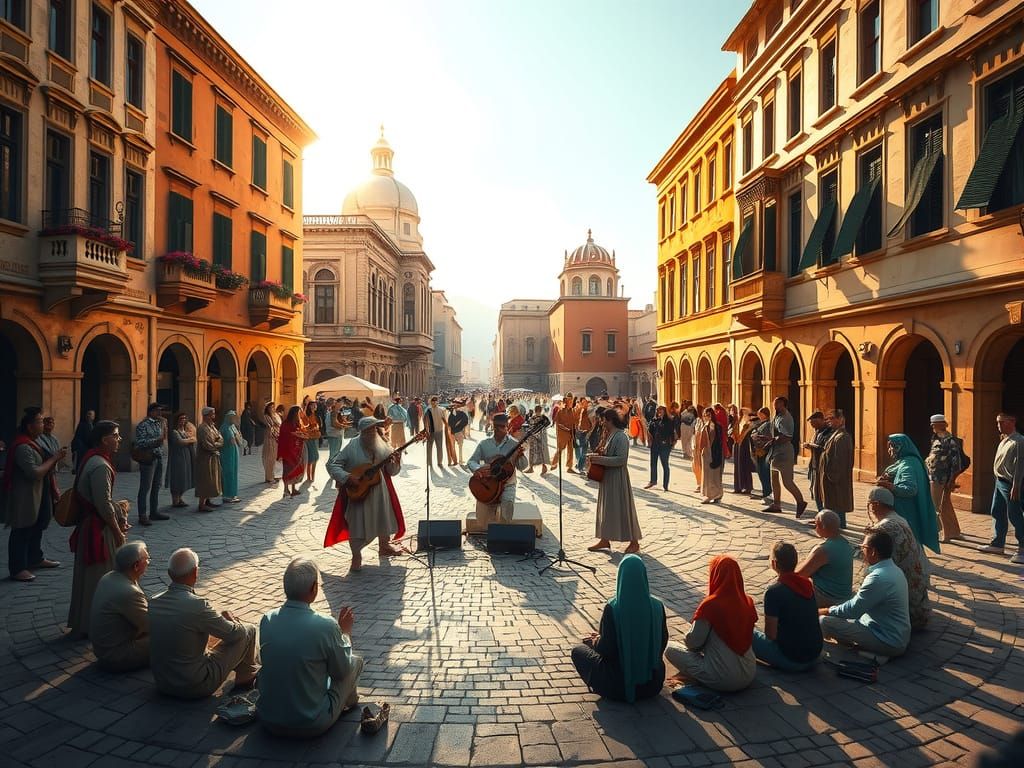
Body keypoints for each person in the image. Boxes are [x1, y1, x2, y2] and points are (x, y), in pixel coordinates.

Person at [258, 557, 363, 737]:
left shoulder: (267, 619)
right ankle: (348, 702)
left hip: (269, 719)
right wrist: (345, 633)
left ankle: (343, 700)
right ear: (314, 588)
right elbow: (341, 671)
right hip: (310, 723)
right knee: (354, 662)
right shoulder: (325, 625)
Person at [149, 548, 258, 698]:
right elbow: (236, 634)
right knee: (249, 630)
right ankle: (245, 678)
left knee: (207, 635)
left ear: (169, 573)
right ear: (195, 572)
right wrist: (232, 619)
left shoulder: (154, 601)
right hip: (195, 685)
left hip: (163, 683)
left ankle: (245, 673)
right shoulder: (197, 605)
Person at [570, 554, 668, 702]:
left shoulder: (614, 608)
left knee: (578, 651)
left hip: (618, 686)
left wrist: (596, 640)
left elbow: (606, 650)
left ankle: (601, 684)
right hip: (652, 685)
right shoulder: (657, 606)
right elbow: (663, 642)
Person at [67, 420, 130, 638]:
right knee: (101, 577)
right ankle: (98, 624)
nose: (119, 439)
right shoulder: (100, 465)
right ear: (105, 440)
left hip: (90, 525)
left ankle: (85, 621)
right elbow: (103, 504)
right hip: (98, 530)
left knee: (89, 578)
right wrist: (117, 530)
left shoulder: (91, 458)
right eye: (116, 435)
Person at [324, 417, 407, 572]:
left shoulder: (382, 444)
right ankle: (356, 556)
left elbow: (392, 471)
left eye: (374, 429)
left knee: (383, 517)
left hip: (380, 491)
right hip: (360, 493)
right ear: (362, 431)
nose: (372, 432)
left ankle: (384, 546)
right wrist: (347, 477)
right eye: (369, 430)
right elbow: (333, 465)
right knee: (357, 525)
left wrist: (396, 461)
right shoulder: (352, 446)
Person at [665, 555, 757, 692]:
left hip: (722, 679)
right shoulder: (747, 601)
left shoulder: (711, 605)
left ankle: (699, 676)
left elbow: (693, 644)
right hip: (749, 672)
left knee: (670, 648)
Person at [819, 531, 910, 663]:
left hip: (888, 641)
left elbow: (853, 610)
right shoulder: (894, 569)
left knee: (824, 621)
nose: (862, 552)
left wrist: (826, 610)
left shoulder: (878, 578)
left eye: (864, 548)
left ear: (873, 552)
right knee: (841, 609)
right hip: (894, 633)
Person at [3, 408, 66, 581]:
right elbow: (34, 472)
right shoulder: (23, 446)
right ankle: (18, 568)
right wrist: (54, 458)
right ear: (30, 427)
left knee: (37, 526)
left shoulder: (37, 442)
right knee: (22, 529)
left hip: (39, 492)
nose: (43, 423)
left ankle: (35, 558)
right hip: (25, 495)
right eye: (39, 421)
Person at [866, 487, 931, 630]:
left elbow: (873, 563)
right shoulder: (900, 519)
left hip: (908, 615)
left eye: (870, 505)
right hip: (920, 606)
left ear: (875, 505)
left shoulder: (884, 528)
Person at [753, 542, 822, 672]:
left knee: (748, 634)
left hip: (792, 659)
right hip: (814, 655)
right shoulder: (807, 585)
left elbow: (771, 635)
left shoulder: (773, 591)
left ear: (774, 563)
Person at [89, 542, 151, 671]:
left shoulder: (108, 577)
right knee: (172, 634)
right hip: (118, 656)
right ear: (136, 566)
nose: (149, 562)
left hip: (103, 650)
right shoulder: (129, 592)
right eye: (147, 559)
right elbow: (151, 625)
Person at [587, 409, 642, 553]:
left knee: (623, 509)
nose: (602, 423)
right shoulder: (609, 435)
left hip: (618, 479)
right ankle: (605, 539)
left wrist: (598, 459)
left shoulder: (621, 437)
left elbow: (621, 460)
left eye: (604, 420)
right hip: (608, 478)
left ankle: (634, 542)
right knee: (607, 510)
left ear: (610, 420)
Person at [876, 433, 940, 554]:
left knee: (908, 543)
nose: (889, 450)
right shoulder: (908, 461)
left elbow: (910, 489)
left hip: (905, 510)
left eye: (891, 447)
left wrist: (890, 486)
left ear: (899, 447)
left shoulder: (907, 465)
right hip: (909, 510)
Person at [467, 413, 528, 525]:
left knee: (507, 505)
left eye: (504, 426)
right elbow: (471, 461)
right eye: (497, 426)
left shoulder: (514, 444)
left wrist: (521, 456)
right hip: (488, 483)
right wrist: (477, 469)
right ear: (494, 427)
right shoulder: (484, 444)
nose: (501, 429)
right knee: (482, 519)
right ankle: (488, 533)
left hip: (507, 484)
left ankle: (503, 533)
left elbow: (523, 467)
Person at [980, 413, 1024, 562]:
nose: (999, 425)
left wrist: (1016, 485)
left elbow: (1020, 466)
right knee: (997, 510)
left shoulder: (1019, 441)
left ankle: (1023, 548)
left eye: (1002, 422)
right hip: (999, 481)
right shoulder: (1004, 439)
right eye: (997, 422)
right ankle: (998, 543)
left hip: (1011, 484)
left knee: (1015, 514)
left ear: (1012, 421)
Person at [795, 509, 854, 608]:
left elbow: (800, 574)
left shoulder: (823, 549)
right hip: (844, 594)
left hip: (828, 597)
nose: (815, 527)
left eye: (816, 524)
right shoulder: (846, 544)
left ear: (821, 526)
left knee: (786, 590)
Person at [924, 414, 965, 543]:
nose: (932, 427)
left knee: (937, 505)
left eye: (934, 425)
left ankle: (942, 533)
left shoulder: (950, 440)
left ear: (942, 424)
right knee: (945, 504)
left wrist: (952, 480)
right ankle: (953, 532)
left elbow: (956, 462)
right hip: (934, 476)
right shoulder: (935, 439)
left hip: (942, 478)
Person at [765, 397, 808, 517]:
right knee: (774, 478)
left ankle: (800, 501)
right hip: (775, 451)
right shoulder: (777, 416)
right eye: (774, 403)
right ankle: (776, 504)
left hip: (784, 452)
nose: (775, 406)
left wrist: (772, 440)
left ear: (783, 404)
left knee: (787, 481)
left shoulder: (786, 418)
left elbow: (787, 436)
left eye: (778, 404)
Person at [817, 409, 854, 528]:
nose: (829, 421)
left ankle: (837, 525)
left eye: (832, 418)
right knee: (834, 503)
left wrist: (832, 476)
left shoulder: (842, 437)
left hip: (836, 479)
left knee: (838, 503)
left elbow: (840, 460)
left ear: (841, 420)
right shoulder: (835, 434)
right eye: (828, 419)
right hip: (831, 478)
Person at [134, 402, 169, 526]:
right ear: (151, 412)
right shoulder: (143, 425)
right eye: (157, 411)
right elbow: (140, 442)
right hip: (148, 458)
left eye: (161, 411)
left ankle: (154, 512)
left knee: (156, 486)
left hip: (158, 457)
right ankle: (142, 515)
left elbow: (163, 438)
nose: (160, 413)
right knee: (145, 487)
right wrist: (156, 441)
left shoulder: (159, 424)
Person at [194, 407, 224, 512]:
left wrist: (217, 443)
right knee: (205, 480)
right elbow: (206, 444)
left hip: (213, 456)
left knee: (211, 480)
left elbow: (220, 438)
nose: (213, 416)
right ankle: (201, 504)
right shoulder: (202, 428)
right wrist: (216, 445)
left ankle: (208, 500)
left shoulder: (212, 426)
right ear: (206, 415)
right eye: (212, 414)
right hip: (205, 457)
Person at [802, 411, 832, 513]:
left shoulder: (828, 432)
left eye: (813, 423)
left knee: (823, 492)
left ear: (820, 420)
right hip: (815, 464)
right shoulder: (817, 431)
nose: (812, 426)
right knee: (815, 491)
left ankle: (824, 514)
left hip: (822, 465)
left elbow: (826, 448)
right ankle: (820, 513)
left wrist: (811, 446)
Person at [167, 412, 196, 508]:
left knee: (184, 477)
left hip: (186, 456)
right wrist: (190, 440)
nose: (183, 420)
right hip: (177, 457)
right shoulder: (174, 432)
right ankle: (175, 499)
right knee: (177, 477)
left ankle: (180, 498)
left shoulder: (185, 430)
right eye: (181, 418)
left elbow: (194, 438)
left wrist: (189, 439)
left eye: (184, 418)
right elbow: (180, 442)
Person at [278, 406, 306, 498]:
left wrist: (303, 435)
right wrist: (293, 434)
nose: (299, 414)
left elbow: (302, 432)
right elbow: (282, 437)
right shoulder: (286, 424)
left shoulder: (298, 423)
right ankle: (286, 489)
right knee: (287, 470)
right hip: (288, 451)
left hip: (298, 450)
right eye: (298, 412)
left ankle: (294, 488)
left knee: (297, 469)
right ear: (293, 413)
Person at [697, 407, 724, 504]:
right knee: (707, 475)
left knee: (715, 475)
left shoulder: (717, 426)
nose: (706, 417)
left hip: (714, 453)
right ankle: (710, 495)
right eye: (705, 415)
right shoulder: (705, 426)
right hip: (707, 453)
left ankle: (716, 495)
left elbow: (719, 441)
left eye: (708, 415)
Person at [645, 405, 674, 491]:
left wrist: (670, 443)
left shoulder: (669, 421)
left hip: (665, 446)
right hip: (655, 445)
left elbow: (671, 433)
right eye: (658, 411)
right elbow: (649, 431)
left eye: (661, 411)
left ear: (665, 411)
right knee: (653, 463)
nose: (659, 412)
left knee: (665, 464)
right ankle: (653, 481)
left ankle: (665, 485)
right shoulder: (654, 421)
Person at [219, 411, 244, 503]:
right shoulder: (224, 427)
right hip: (226, 453)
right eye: (232, 418)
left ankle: (233, 494)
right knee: (228, 473)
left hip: (233, 452)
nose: (234, 419)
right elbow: (227, 440)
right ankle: (226, 495)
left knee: (234, 472)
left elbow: (238, 440)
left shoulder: (232, 427)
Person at [750, 407, 774, 501]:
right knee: (760, 472)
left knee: (765, 473)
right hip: (758, 451)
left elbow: (768, 436)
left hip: (764, 451)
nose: (758, 415)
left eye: (760, 414)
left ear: (764, 414)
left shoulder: (768, 424)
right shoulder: (761, 423)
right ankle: (765, 492)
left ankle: (767, 493)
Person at [732, 408, 755, 495]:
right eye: (740, 412)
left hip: (744, 446)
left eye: (742, 412)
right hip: (737, 445)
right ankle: (738, 486)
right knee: (737, 466)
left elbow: (746, 434)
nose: (740, 414)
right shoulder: (738, 421)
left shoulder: (748, 423)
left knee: (744, 466)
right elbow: (734, 430)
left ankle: (747, 487)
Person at [524, 404, 550, 474]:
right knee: (542, 452)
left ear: (535, 410)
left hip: (533, 438)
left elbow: (529, 427)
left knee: (532, 452)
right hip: (541, 437)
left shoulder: (532, 418)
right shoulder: (544, 418)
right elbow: (547, 425)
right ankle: (543, 467)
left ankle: (531, 468)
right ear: (541, 410)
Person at [554, 394, 576, 472]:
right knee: (560, 449)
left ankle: (569, 467)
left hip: (571, 434)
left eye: (572, 401)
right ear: (566, 402)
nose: (571, 403)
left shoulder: (572, 411)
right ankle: (554, 463)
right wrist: (566, 429)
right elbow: (558, 423)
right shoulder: (560, 411)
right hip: (563, 434)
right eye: (570, 401)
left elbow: (574, 422)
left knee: (570, 450)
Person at [301, 402, 321, 486]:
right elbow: (304, 427)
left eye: (315, 405)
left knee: (315, 457)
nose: (314, 407)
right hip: (309, 438)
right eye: (313, 405)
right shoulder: (305, 416)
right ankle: (309, 477)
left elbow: (317, 425)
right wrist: (312, 428)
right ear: (309, 406)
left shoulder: (315, 415)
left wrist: (317, 427)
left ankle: (313, 476)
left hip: (315, 437)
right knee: (311, 458)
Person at [424, 396, 447, 468]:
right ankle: (429, 462)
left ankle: (439, 462)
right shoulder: (428, 410)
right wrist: (426, 430)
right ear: (431, 402)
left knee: (439, 447)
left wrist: (447, 427)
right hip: (431, 432)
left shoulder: (441, 410)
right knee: (429, 447)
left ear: (437, 402)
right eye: (432, 401)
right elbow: (425, 421)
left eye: (435, 401)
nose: (434, 402)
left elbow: (444, 420)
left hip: (439, 431)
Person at [262, 402, 281, 484]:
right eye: (270, 407)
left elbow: (279, 425)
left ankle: (272, 476)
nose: (272, 409)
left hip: (275, 438)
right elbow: (270, 427)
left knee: (273, 458)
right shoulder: (266, 417)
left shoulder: (275, 416)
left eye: (273, 407)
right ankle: (269, 477)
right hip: (270, 438)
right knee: (269, 458)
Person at [448, 400, 470, 465]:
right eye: (455, 406)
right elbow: (450, 423)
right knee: (452, 447)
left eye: (457, 406)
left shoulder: (462, 413)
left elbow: (465, 421)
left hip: (459, 432)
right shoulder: (451, 414)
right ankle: (453, 461)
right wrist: (456, 424)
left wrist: (459, 425)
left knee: (460, 447)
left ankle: (460, 460)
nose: (456, 407)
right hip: (453, 432)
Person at [575, 397, 593, 473]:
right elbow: (580, 422)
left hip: (585, 432)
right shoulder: (583, 410)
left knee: (584, 451)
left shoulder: (587, 411)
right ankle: (580, 467)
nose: (586, 404)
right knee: (583, 451)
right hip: (583, 432)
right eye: (583, 403)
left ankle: (580, 466)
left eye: (586, 402)